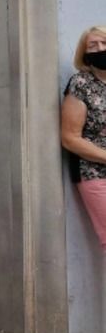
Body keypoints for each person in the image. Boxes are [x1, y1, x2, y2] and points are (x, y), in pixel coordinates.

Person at [61, 25, 106, 251]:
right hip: (95, 173)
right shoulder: (81, 84)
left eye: (104, 44)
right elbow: (70, 138)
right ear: (85, 53)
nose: (100, 49)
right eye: (93, 45)